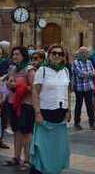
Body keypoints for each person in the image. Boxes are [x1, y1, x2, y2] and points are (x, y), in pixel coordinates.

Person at [31, 44, 71, 174]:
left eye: (60, 54)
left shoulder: (65, 71)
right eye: (54, 53)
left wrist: (69, 110)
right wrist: (37, 113)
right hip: (45, 113)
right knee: (43, 149)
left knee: (57, 150)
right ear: (49, 55)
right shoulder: (42, 70)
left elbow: (67, 92)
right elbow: (35, 93)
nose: (57, 56)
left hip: (60, 114)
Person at [3, 46, 36, 170]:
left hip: (26, 105)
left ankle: (27, 160)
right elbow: (9, 83)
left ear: (24, 55)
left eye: (17, 54)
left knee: (26, 133)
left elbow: (34, 88)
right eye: (13, 54)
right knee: (16, 131)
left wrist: (20, 87)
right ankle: (16, 157)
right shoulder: (12, 69)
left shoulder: (30, 70)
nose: (15, 56)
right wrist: (9, 85)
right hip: (13, 103)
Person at [72, 46, 95, 130]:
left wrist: (87, 74)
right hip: (79, 87)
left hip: (89, 87)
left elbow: (93, 72)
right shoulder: (75, 62)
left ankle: (92, 123)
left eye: (86, 53)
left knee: (90, 105)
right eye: (83, 53)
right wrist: (88, 74)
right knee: (78, 105)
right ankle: (76, 123)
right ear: (79, 53)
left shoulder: (89, 62)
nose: (85, 54)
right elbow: (80, 74)